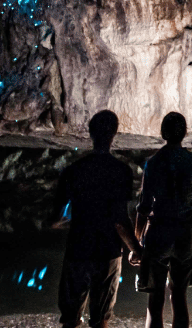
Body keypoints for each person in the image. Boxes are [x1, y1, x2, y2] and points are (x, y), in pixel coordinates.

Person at [51, 110, 143, 328]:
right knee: (100, 318)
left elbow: (55, 219)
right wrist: (136, 248)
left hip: (78, 248)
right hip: (107, 251)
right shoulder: (121, 171)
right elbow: (120, 220)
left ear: (90, 134)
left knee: (71, 318)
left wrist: (71, 219)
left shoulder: (73, 171)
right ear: (114, 135)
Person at [135, 111, 192, 328]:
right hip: (183, 233)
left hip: (159, 233)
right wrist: (188, 229)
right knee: (180, 296)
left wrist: (138, 241)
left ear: (163, 132)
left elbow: (144, 206)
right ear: (184, 133)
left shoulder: (153, 163)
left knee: (155, 300)